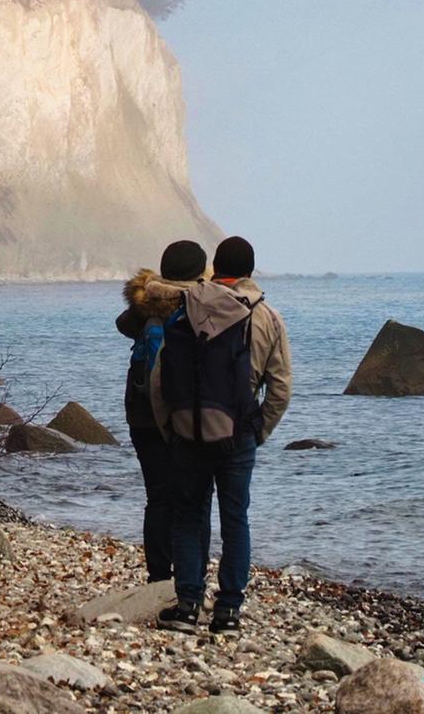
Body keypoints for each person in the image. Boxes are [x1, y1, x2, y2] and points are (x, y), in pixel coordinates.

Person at [152, 234, 292, 633]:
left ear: (216, 268)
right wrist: (257, 430)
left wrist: (171, 429)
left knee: (188, 518)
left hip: (186, 434)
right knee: (235, 520)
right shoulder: (266, 316)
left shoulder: (184, 310)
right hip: (237, 436)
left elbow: (161, 380)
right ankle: (228, 611)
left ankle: (187, 607)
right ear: (249, 271)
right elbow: (281, 388)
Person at [115, 239, 209, 585]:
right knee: (197, 498)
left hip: (143, 417)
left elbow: (123, 323)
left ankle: (158, 574)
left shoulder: (146, 308)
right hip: (189, 415)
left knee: (158, 496)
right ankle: (194, 575)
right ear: (201, 272)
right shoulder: (204, 305)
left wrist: (147, 293)